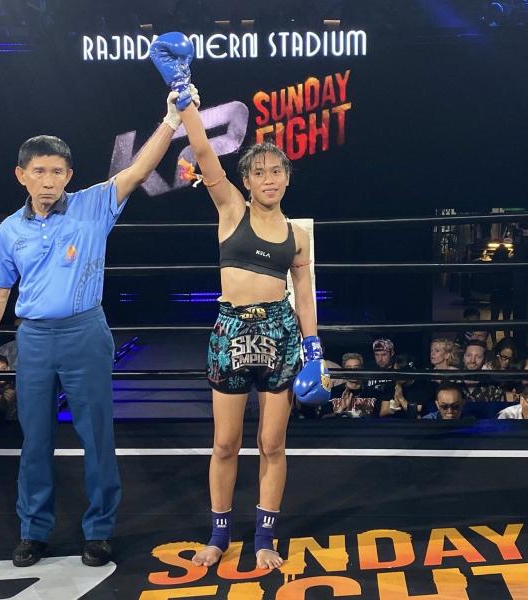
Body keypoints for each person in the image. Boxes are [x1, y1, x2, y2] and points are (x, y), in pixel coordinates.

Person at [0, 84, 197, 567]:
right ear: (21, 175)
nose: (48, 180)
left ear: (69, 175)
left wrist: (172, 120)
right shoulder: (9, 230)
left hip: (85, 332)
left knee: (97, 437)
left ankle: (99, 531)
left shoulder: (94, 204)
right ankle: (33, 531)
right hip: (33, 339)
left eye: (57, 171)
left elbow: (139, 170)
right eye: (39, 171)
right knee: (35, 441)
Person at [159, 33, 327, 571]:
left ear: (287, 178)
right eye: (259, 172)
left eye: (277, 171)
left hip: (280, 333)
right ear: (247, 180)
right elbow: (206, 155)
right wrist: (184, 95)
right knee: (226, 443)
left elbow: (304, 295)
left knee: (273, 443)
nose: (269, 179)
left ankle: (264, 539)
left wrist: (314, 349)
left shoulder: (298, 234)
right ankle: (218, 535)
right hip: (231, 331)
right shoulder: (231, 208)